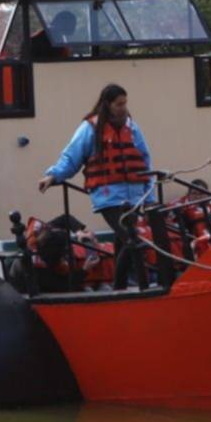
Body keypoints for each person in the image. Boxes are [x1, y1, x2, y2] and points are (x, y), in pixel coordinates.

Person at [38, 84, 154, 284]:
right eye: (119, 104)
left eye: (125, 103)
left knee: (123, 241)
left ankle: (121, 288)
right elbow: (71, 156)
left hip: (134, 196)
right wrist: (53, 176)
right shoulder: (90, 128)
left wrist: (149, 197)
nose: (123, 108)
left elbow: (145, 160)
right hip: (108, 197)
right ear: (108, 104)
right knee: (132, 238)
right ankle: (138, 286)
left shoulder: (132, 127)